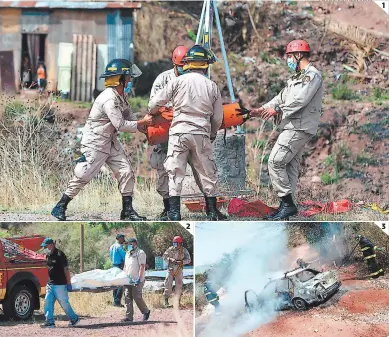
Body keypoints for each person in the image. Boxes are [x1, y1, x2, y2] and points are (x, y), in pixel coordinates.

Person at [51, 59, 153, 221]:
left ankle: (127, 211)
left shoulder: (120, 96)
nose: (130, 80)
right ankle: (60, 206)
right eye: (127, 77)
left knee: (126, 171)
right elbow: (120, 124)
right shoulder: (109, 99)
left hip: (110, 141)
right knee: (83, 174)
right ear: (119, 79)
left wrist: (145, 126)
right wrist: (141, 124)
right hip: (96, 142)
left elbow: (128, 116)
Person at [148, 44, 227, 221]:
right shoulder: (211, 86)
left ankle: (174, 213)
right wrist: (212, 134)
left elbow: (153, 104)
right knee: (207, 172)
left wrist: (154, 113)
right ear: (205, 65)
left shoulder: (176, 82)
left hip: (178, 133)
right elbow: (217, 119)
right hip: (201, 133)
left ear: (189, 64)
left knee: (175, 171)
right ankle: (212, 212)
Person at [250, 39, 323, 221]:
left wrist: (278, 110)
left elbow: (299, 100)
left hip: (298, 126)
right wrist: (261, 110)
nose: (288, 60)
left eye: (290, 56)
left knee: (275, 161)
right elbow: (280, 98)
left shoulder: (311, 76)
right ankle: (286, 207)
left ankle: (288, 205)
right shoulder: (296, 78)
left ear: (299, 55)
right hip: (293, 125)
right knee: (290, 166)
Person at [149, 46, 189, 220]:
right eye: (181, 65)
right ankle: (168, 209)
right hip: (165, 131)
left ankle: (207, 207)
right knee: (164, 171)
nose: (183, 68)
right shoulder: (163, 79)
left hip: (187, 130)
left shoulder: (194, 79)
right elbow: (153, 105)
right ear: (174, 62)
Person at [40, 238, 80, 328]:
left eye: (46, 246)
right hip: (50, 284)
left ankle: (74, 319)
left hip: (60, 284)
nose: (45, 248)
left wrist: (68, 283)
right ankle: (49, 322)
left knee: (64, 303)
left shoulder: (60, 255)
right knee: (47, 301)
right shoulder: (48, 255)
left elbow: (66, 269)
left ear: (51, 245)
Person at [122, 238, 151, 322]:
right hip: (128, 279)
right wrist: (123, 276)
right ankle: (129, 317)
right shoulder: (127, 253)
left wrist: (139, 278)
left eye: (130, 244)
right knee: (127, 297)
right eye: (128, 244)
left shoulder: (140, 253)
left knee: (137, 297)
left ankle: (146, 311)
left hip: (137, 279)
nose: (128, 246)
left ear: (135, 244)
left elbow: (142, 266)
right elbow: (125, 266)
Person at [162, 235, 191, 307]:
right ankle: (166, 301)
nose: (174, 245)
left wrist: (181, 262)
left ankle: (177, 302)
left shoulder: (184, 250)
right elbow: (164, 257)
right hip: (170, 269)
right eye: (174, 243)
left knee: (179, 286)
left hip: (179, 270)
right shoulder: (170, 249)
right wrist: (170, 259)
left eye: (176, 243)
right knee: (168, 284)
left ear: (180, 243)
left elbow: (189, 260)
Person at [110, 233, 127, 307]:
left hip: (114, 265)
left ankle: (115, 301)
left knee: (115, 283)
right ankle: (117, 302)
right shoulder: (119, 247)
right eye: (122, 238)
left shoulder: (112, 246)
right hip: (120, 265)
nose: (123, 239)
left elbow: (110, 256)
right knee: (121, 283)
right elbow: (124, 256)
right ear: (119, 238)